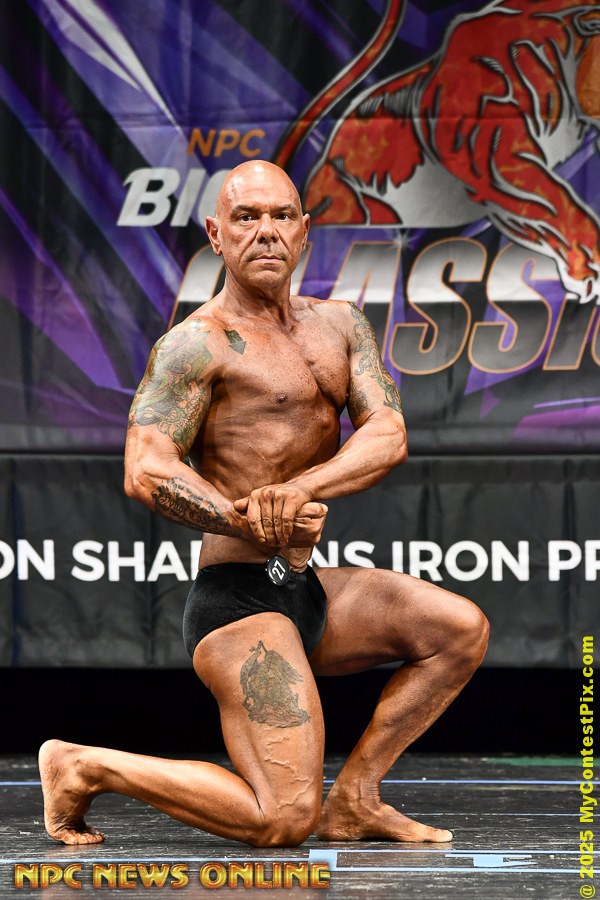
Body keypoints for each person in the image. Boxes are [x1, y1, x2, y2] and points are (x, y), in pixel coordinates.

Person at [39, 160, 489, 847]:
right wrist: (248, 519)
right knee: (281, 818)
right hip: (239, 600)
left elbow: (388, 432)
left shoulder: (341, 326)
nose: (266, 231)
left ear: (304, 231)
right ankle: (84, 765)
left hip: (303, 584)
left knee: (457, 629)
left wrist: (300, 490)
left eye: (281, 216)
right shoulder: (197, 343)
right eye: (246, 217)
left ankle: (356, 798)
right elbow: (146, 468)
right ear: (216, 235)